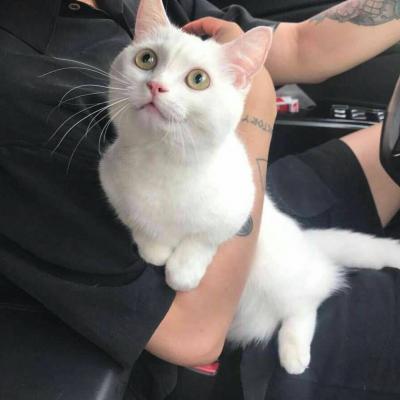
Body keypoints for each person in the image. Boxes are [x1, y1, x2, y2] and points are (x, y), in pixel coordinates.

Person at [0, 0, 399, 399]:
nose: (157, 83)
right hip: (227, 306)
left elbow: (297, 44)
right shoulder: (21, 91)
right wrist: (258, 109)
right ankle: (303, 310)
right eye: (147, 60)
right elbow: (195, 335)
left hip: (225, 191)